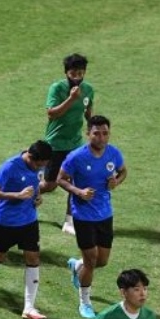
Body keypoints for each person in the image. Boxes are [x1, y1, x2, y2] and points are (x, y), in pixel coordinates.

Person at [57, 115, 127, 319]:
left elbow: (123, 172)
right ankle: (85, 301)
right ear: (88, 134)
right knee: (91, 260)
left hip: (105, 214)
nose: (101, 137)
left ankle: (76, 266)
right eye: (97, 133)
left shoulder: (113, 153)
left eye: (105, 133)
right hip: (83, 215)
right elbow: (60, 179)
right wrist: (78, 191)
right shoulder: (76, 157)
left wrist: (117, 182)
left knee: (102, 261)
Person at [0, 140, 52, 319]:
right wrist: (16, 196)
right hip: (6, 222)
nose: (40, 169)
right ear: (31, 158)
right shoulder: (10, 167)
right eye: (39, 165)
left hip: (29, 221)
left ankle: (29, 307)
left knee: (33, 258)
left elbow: (35, 186)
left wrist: (37, 198)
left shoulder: (36, 165)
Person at [41, 53, 94, 235]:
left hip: (76, 144)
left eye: (81, 73)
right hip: (56, 143)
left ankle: (69, 221)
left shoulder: (88, 89)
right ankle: (23, 195)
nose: (77, 77)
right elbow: (52, 113)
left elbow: (87, 111)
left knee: (76, 181)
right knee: (50, 185)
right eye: (73, 73)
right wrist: (71, 99)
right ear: (66, 73)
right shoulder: (57, 88)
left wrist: (92, 124)